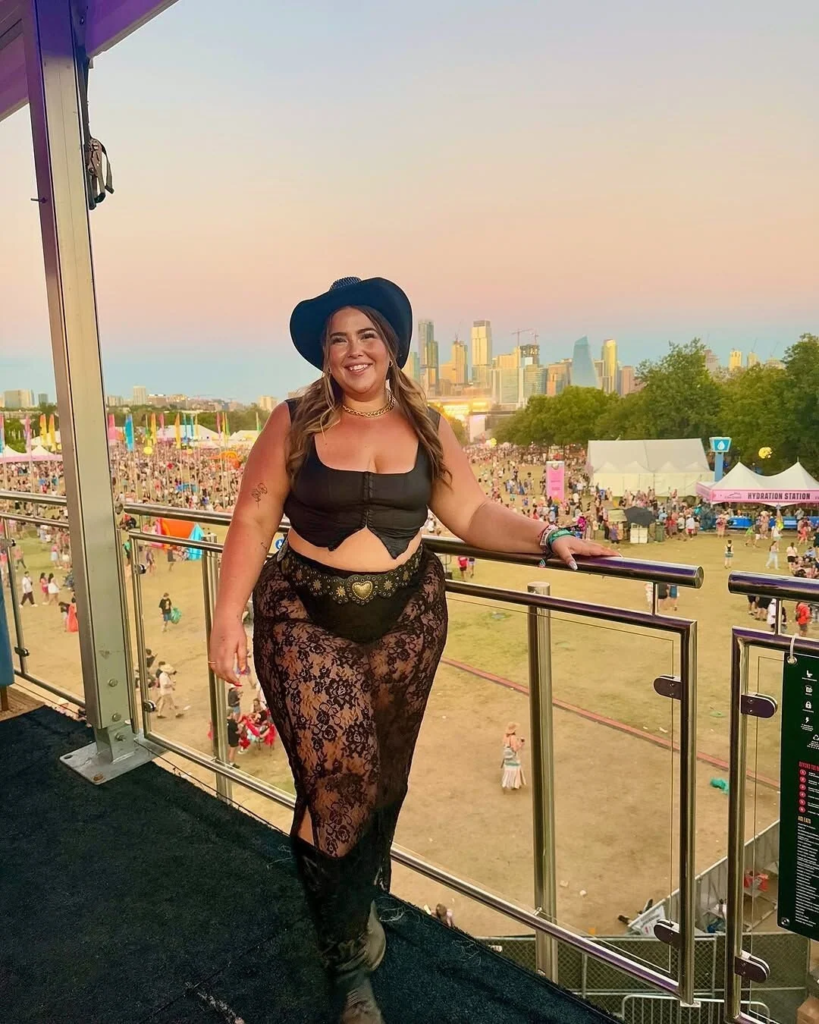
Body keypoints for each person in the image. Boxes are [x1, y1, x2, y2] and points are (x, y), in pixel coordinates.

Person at [207, 276, 616, 1024]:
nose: (354, 351)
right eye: (339, 338)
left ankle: (360, 895)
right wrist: (225, 618)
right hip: (304, 613)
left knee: (384, 781)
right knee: (340, 781)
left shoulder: (425, 422)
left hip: (407, 619)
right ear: (323, 351)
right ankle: (346, 967)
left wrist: (545, 534)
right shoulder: (292, 420)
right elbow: (254, 515)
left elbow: (468, 510)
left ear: (391, 345)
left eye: (368, 336)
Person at [501, 723, 526, 791]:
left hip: (507, 756)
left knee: (508, 770)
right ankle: (515, 784)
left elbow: (504, 744)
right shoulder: (513, 738)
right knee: (516, 769)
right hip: (513, 756)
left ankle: (507, 783)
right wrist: (521, 743)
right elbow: (515, 749)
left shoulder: (505, 736)